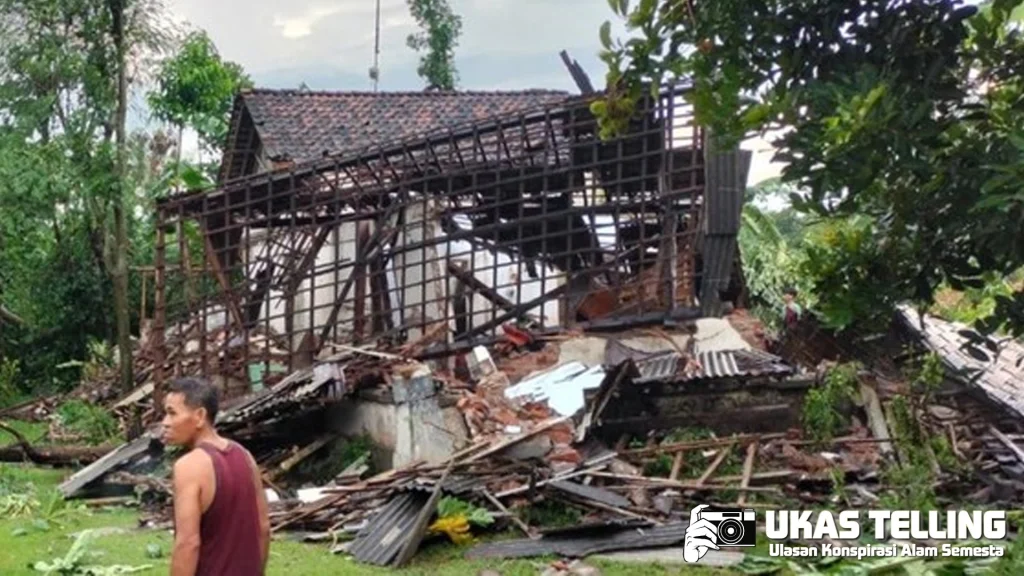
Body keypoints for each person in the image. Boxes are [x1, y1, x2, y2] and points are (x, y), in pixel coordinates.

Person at [162, 377, 270, 576]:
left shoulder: (189, 466)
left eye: (172, 413)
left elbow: (188, 543)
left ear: (200, 416)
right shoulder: (245, 456)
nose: (165, 423)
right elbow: (263, 528)